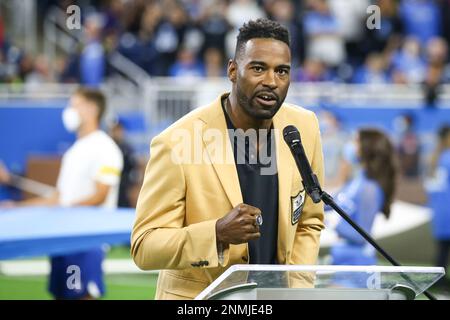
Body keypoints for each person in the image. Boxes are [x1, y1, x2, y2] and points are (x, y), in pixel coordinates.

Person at [131, 18, 325, 300]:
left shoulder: (303, 128)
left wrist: (296, 290)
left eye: (282, 71)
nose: (271, 81)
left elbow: (309, 221)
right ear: (233, 71)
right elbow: (144, 247)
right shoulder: (177, 142)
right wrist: (216, 234)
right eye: (258, 68)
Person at [2, 88, 123, 299]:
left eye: (75, 105)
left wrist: (66, 211)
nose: (69, 111)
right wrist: (17, 207)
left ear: (92, 109)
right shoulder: (73, 151)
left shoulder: (105, 147)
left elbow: (100, 195)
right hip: (63, 238)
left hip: (85, 239)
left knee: (82, 295)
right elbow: (58, 198)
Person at [329, 129, 397, 266]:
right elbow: (328, 203)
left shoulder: (369, 189)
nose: (350, 145)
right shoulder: (355, 181)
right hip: (342, 258)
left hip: (357, 263)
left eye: (355, 141)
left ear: (366, 147)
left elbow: (361, 236)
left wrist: (330, 222)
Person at [426, 125, 450, 289]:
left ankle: (439, 280)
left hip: (440, 208)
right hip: (447, 207)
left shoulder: (436, 157)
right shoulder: (447, 157)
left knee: (442, 249)